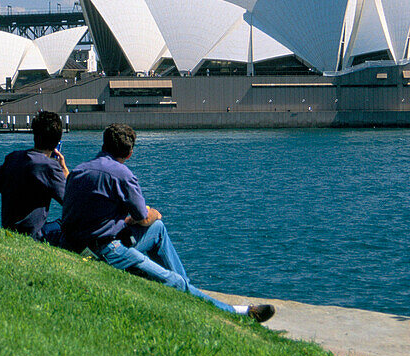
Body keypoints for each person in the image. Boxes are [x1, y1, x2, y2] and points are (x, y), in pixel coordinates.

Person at [60, 123, 275, 323]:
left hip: (77, 246)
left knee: (158, 230)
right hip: (105, 251)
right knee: (160, 237)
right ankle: (242, 313)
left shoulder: (78, 171)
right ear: (129, 153)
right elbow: (143, 217)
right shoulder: (123, 175)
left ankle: (186, 290)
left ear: (103, 144)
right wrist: (154, 213)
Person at [0, 110, 68, 244]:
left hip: (9, 231)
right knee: (67, 223)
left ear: (35, 134)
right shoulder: (50, 167)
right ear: (57, 141)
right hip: (35, 236)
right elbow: (73, 202)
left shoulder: (12, 158)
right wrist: (64, 169)